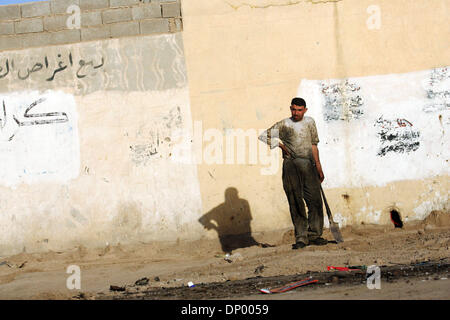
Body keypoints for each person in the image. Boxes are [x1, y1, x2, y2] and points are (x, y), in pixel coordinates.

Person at [258, 97, 327, 249]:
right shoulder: (284, 124)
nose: (296, 113)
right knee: (296, 202)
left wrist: (319, 166)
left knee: (315, 200)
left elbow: (314, 145)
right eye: (293, 109)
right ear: (290, 108)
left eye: (299, 110)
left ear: (305, 110)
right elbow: (264, 135)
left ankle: (315, 234)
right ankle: (301, 237)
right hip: (291, 165)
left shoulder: (310, 122)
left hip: (308, 165)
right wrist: (281, 146)